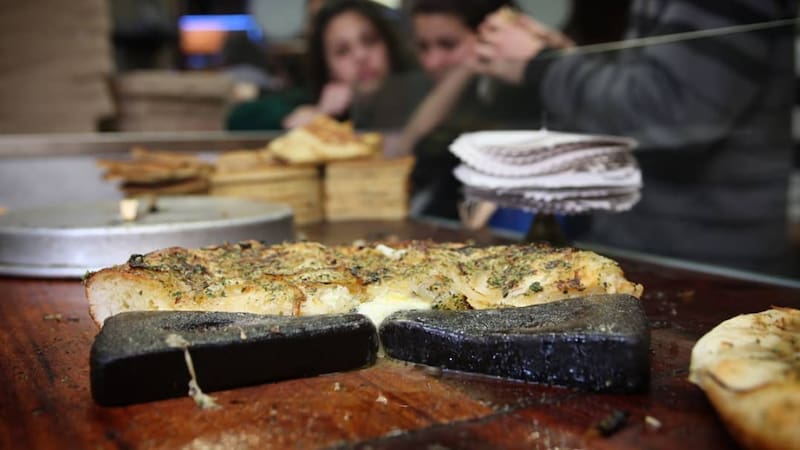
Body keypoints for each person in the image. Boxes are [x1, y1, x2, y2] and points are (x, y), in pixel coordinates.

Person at [472, 0, 797, 274]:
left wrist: (542, 65)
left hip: (703, 263)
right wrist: (565, 57)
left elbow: (671, 116)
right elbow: (655, 92)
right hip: (663, 249)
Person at [399, 0, 572, 221]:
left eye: (448, 44)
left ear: (490, 36)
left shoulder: (525, 92)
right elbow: (408, 147)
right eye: (422, 47)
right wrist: (465, 68)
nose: (432, 61)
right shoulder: (453, 94)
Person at [227, 0, 420, 131]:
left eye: (370, 41)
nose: (361, 56)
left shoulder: (420, 94)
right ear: (327, 65)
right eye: (342, 51)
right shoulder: (318, 101)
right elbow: (238, 119)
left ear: (388, 44)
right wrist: (317, 113)